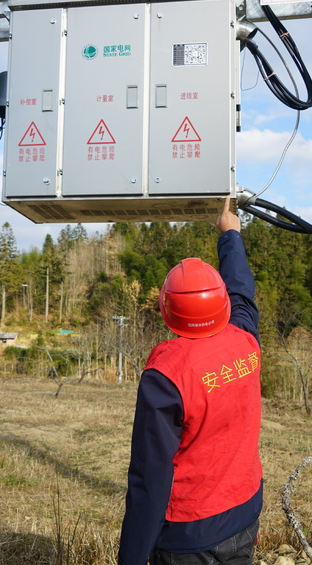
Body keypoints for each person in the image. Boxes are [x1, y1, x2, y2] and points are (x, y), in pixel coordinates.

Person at [118, 198, 263, 565]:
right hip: (245, 512)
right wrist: (230, 233)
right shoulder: (245, 339)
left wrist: (132, 557)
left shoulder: (167, 375)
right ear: (222, 304)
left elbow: (149, 478)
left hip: (190, 535)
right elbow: (241, 289)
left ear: (167, 309)